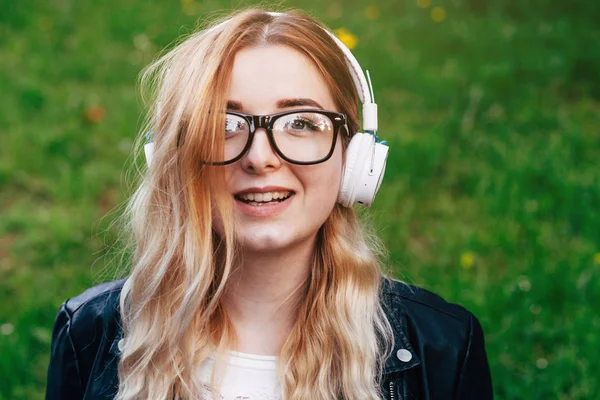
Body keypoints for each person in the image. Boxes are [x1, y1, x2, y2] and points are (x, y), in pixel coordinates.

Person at [45, 8, 493, 400]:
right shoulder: (89, 332)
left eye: (300, 122)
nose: (261, 157)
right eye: (224, 124)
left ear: (354, 156)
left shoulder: (444, 345)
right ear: (175, 159)